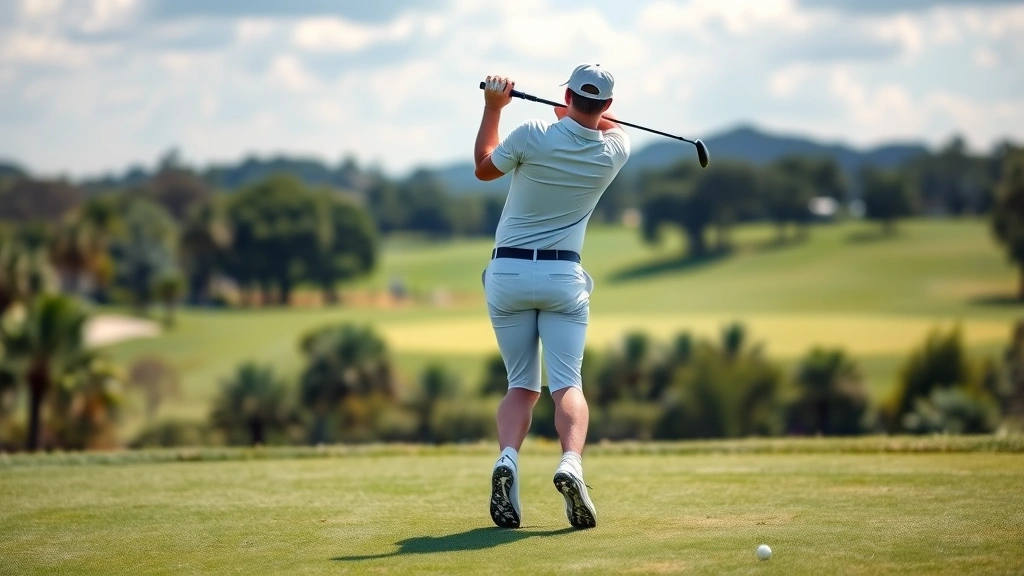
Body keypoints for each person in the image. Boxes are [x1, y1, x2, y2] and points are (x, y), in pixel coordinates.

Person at [473, 64, 630, 529]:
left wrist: (493, 108)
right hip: (564, 276)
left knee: (521, 386)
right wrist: (583, 111)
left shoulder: (532, 133)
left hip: (508, 272)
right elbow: (603, 124)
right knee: (567, 385)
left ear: (565, 93)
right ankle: (571, 465)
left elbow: (484, 168)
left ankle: (508, 458)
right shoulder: (616, 150)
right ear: (607, 107)